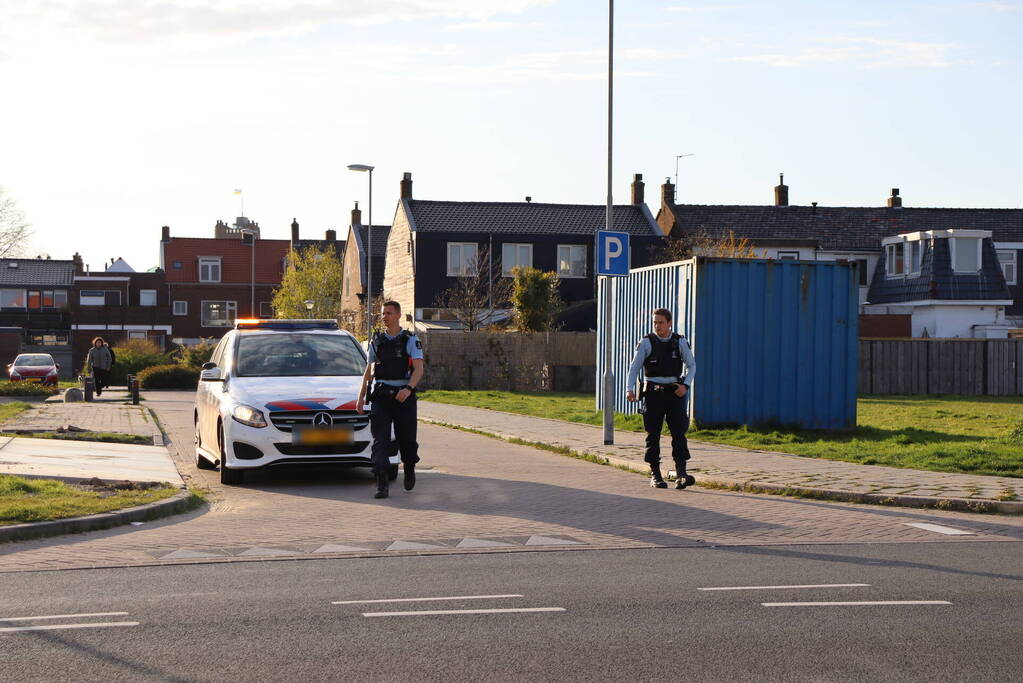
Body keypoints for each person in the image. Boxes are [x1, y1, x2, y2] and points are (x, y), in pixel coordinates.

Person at [356, 301, 425, 499]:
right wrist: (360, 398)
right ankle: (382, 482)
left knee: (407, 440)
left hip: (404, 397)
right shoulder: (377, 340)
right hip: (382, 397)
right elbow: (368, 372)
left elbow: (419, 369)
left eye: (389, 313)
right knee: (380, 441)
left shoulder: (410, 339)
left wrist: (408, 389)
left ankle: (409, 466)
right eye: (383, 313)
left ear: (398, 315)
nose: (384, 316)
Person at [626, 308, 696, 490]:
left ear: (669, 323)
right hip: (653, 394)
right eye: (655, 323)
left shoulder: (679, 342)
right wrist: (629, 389)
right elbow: (634, 367)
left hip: (674, 394)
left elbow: (691, 365)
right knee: (653, 434)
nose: (657, 326)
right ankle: (655, 474)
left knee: (679, 433)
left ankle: (681, 474)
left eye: (661, 322)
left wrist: (685, 386)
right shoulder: (646, 342)